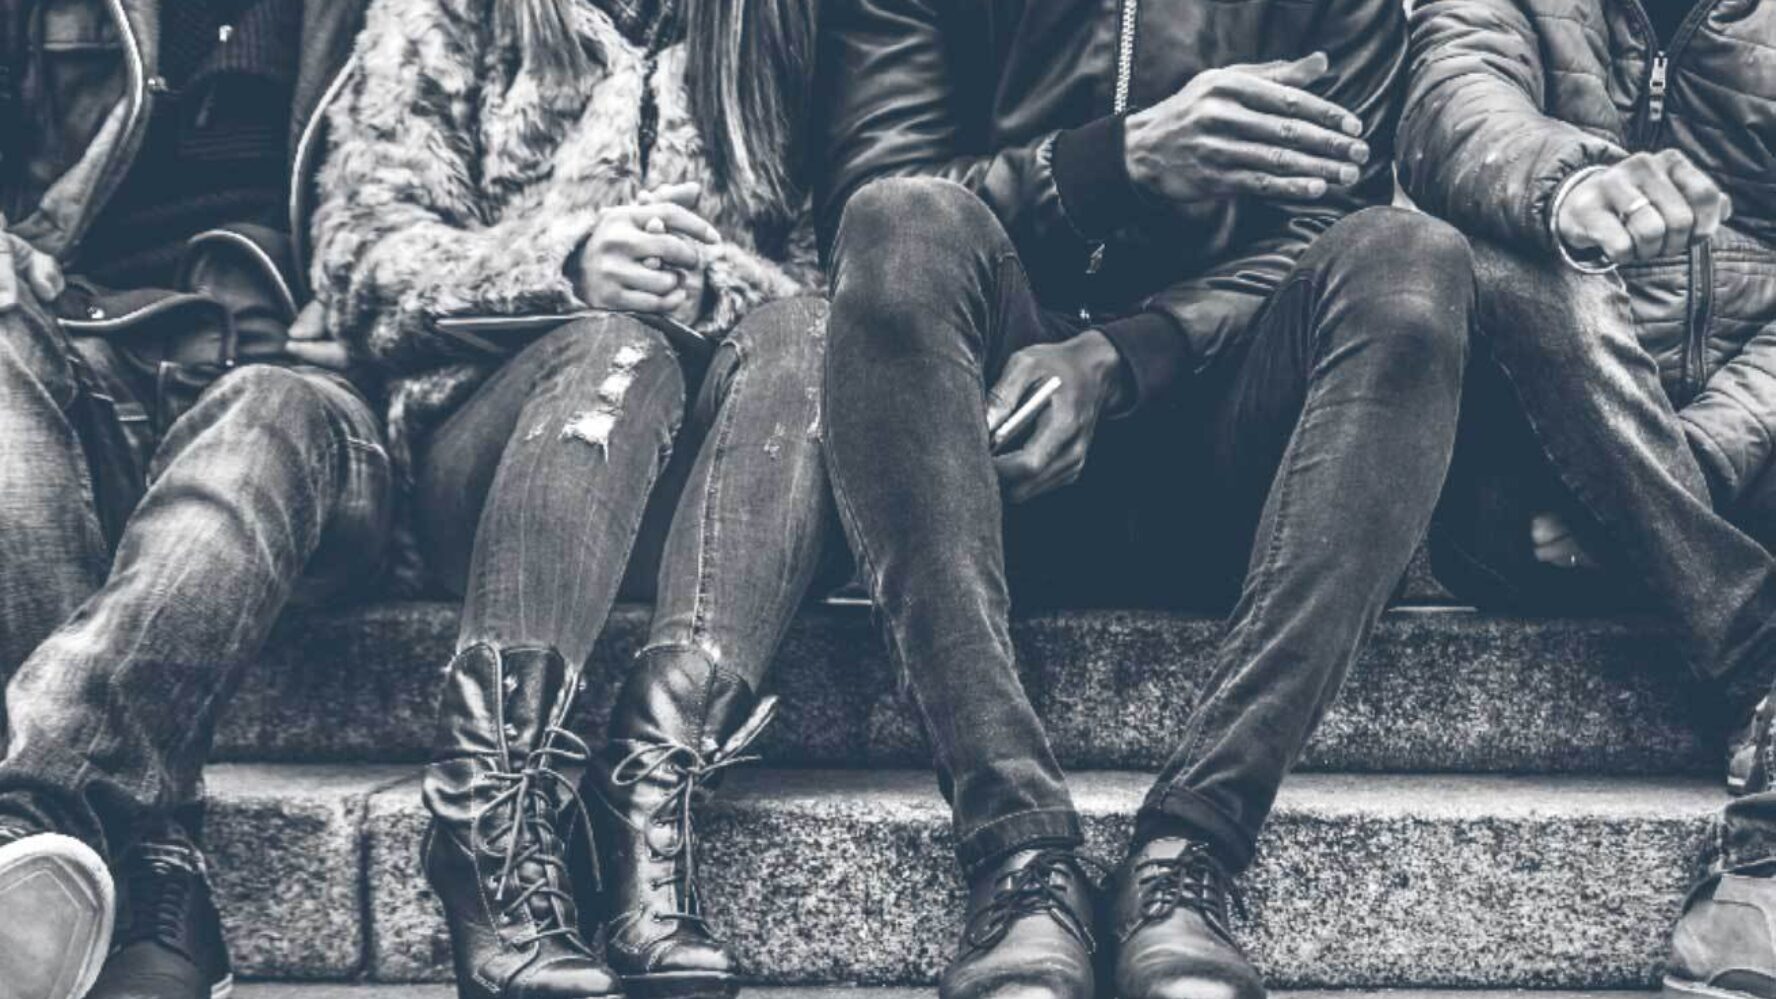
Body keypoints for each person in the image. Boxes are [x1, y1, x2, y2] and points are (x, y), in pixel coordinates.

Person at [813, 0, 1475, 995]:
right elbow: (872, 196)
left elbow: (1331, 220)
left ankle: (1192, 849)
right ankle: (1019, 855)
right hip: (986, 463)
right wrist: (1111, 163)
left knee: (1412, 259)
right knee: (899, 222)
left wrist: (1125, 356)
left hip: (1238, 465)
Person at [310, 0, 826, 996]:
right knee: (613, 346)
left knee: (810, 334)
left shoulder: (770, 27)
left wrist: (709, 285)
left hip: (709, 494)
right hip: (497, 462)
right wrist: (563, 266)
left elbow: (826, 280)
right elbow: (358, 263)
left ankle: (643, 795)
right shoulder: (445, 14)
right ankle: (487, 820)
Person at [0, 2, 387, 998]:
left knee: (262, 414)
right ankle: (127, 849)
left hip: (312, 397)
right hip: (80, 359)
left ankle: (38, 811)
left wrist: (380, 305)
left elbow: (461, 199)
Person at [1398, 0, 1776, 992]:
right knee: (1509, 255)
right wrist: (1573, 186)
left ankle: (1767, 859)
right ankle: (1758, 661)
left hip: (1743, 470)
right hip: (1527, 501)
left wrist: (1682, 462)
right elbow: (1450, 104)